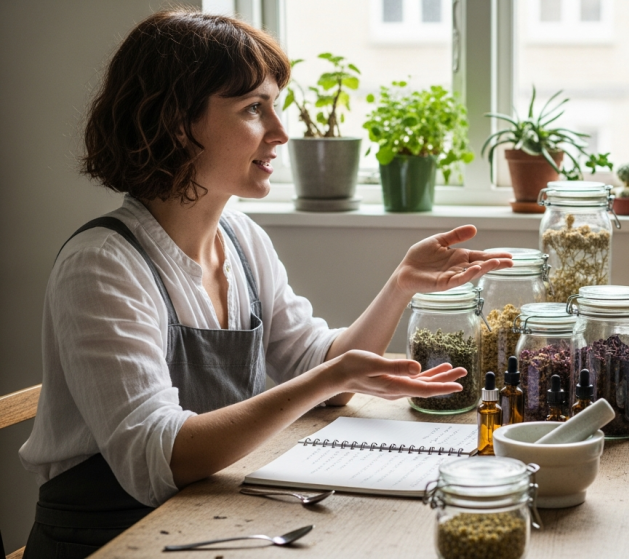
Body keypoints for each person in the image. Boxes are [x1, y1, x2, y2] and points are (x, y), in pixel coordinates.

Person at [18, 9, 512, 557]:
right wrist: (328, 377)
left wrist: (400, 286)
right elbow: (157, 460)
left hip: (208, 522)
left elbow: (317, 365)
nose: (279, 133)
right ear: (175, 122)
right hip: (106, 539)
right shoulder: (103, 265)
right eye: (254, 108)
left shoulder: (241, 238)